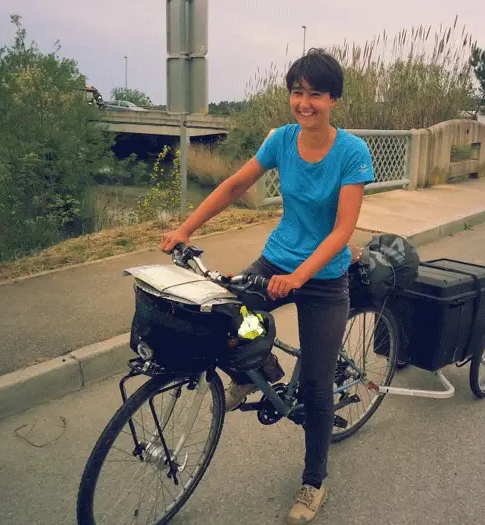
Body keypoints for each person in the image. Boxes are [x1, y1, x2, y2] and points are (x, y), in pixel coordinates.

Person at [160, 48, 375, 525]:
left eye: (315, 94)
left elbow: (342, 231)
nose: (304, 102)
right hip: (276, 258)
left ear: (333, 99)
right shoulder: (281, 140)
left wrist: (300, 277)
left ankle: (314, 480)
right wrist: (186, 229)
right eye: (297, 92)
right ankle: (259, 373)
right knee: (221, 318)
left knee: (318, 388)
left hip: (322, 277)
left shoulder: (351, 152)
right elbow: (236, 186)